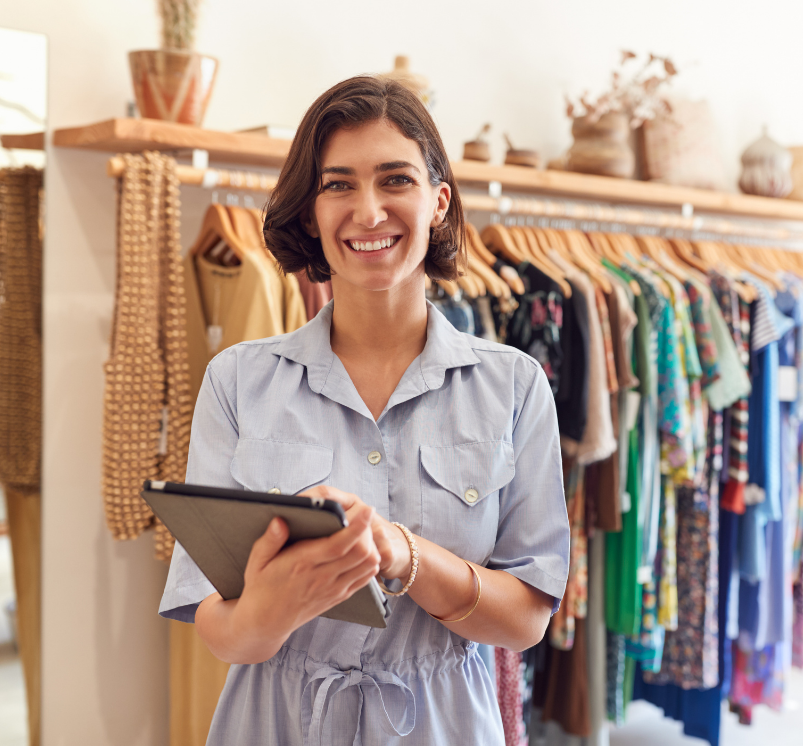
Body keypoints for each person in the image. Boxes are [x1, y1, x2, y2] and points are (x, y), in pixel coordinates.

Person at [158, 76, 570, 745]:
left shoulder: (514, 386)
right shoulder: (238, 380)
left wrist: (403, 553)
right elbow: (214, 621)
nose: (369, 211)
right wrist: (268, 612)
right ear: (312, 212)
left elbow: (526, 620)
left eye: (395, 180)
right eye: (338, 184)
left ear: (438, 201)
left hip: (441, 726)